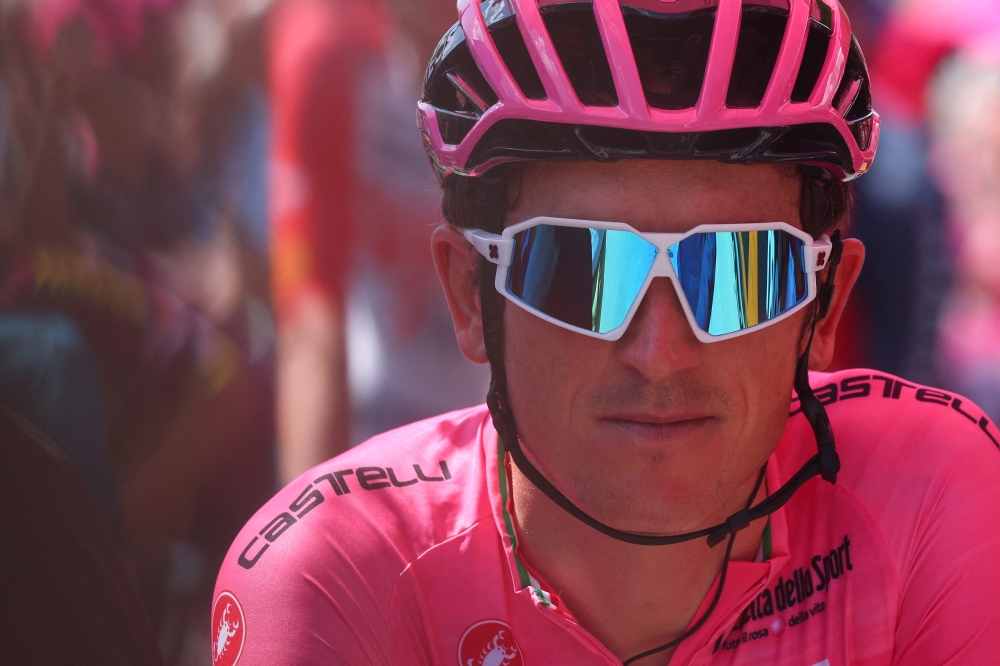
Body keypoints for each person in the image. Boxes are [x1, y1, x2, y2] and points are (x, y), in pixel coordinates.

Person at [214, 0, 1000, 664]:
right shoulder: (330, 579)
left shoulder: (932, 498)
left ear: (824, 310)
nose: (659, 352)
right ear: (467, 293)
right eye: (578, 270)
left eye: (738, 273)